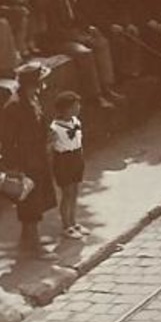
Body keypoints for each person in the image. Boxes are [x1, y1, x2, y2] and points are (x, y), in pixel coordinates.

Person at [0, 63, 59, 254]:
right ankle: (35, 247)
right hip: (25, 161)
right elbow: (7, 139)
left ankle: (27, 239)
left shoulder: (33, 99)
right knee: (30, 204)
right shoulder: (15, 106)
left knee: (35, 201)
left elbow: (38, 123)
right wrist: (13, 167)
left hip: (37, 157)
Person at [47, 91, 88, 238]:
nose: (78, 108)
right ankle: (66, 226)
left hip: (76, 157)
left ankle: (74, 221)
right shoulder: (54, 128)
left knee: (75, 191)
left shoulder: (76, 121)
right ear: (64, 109)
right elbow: (50, 148)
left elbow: (78, 140)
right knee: (67, 193)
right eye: (74, 106)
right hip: (63, 160)